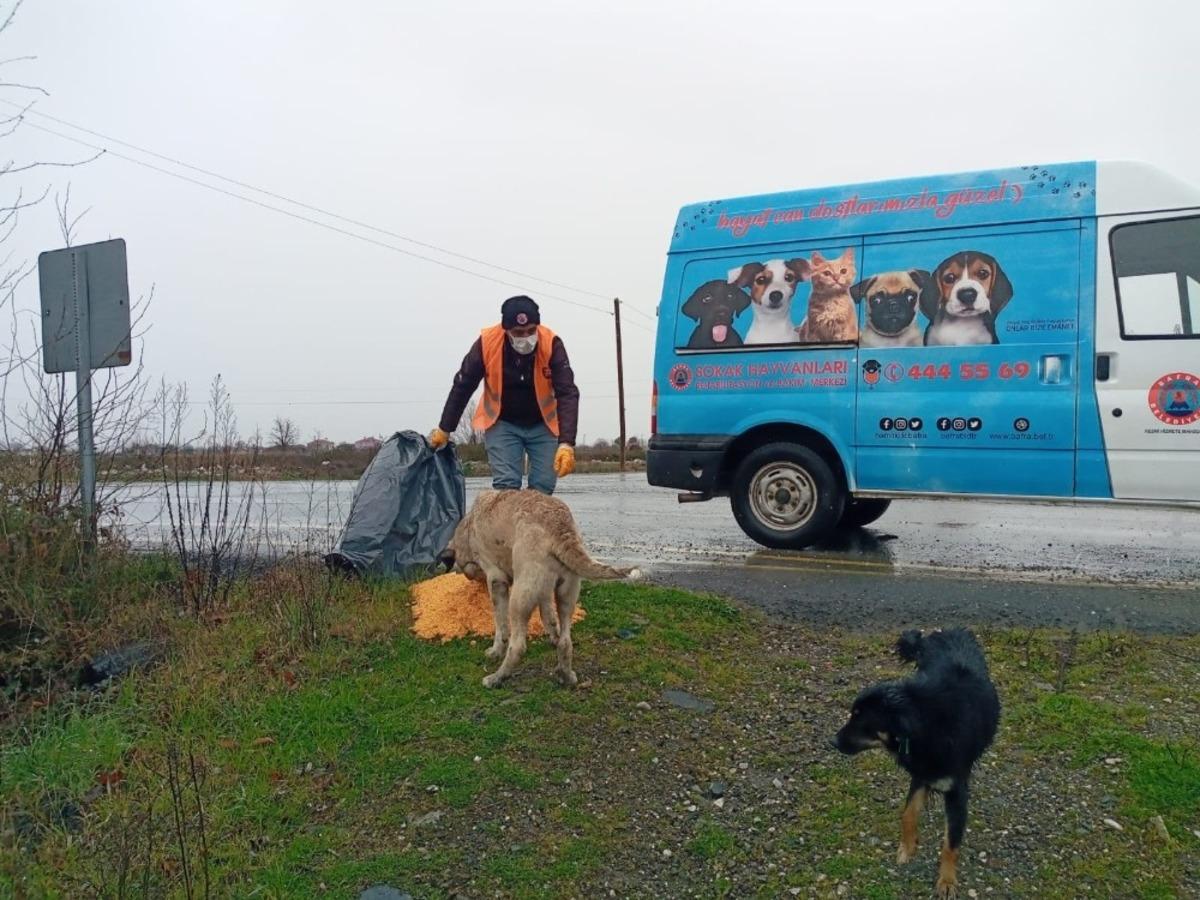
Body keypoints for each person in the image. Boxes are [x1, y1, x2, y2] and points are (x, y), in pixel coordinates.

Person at [430, 295, 580, 494]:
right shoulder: (486, 344)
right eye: (518, 333)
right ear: (506, 329)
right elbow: (463, 385)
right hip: (502, 424)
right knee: (507, 486)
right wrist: (445, 428)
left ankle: (531, 525)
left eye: (531, 331)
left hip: (543, 424)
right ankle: (508, 525)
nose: (526, 337)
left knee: (543, 487)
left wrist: (566, 443)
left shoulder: (552, 344)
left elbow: (567, 392)